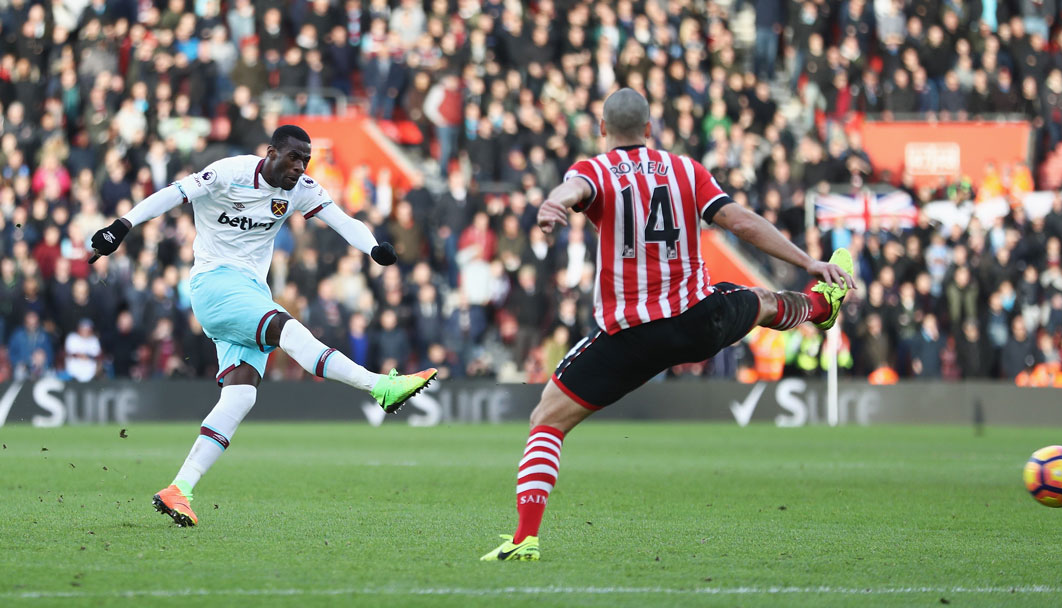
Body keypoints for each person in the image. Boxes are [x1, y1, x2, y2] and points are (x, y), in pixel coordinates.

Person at [480, 89, 854, 561]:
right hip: (696, 321)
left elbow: (573, 190)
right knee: (759, 301)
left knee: (546, 422)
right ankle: (822, 307)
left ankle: (524, 539)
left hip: (630, 336)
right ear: (650, 128)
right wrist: (807, 260)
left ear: (602, 129)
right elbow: (739, 221)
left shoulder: (595, 169)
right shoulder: (685, 170)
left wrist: (555, 204)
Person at [89, 125, 436, 527]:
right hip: (215, 284)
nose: (299, 166)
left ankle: (179, 489)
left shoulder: (301, 188)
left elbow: (343, 220)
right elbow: (173, 193)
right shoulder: (229, 173)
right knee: (288, 330)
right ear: (271, 152)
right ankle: (380, 386)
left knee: (240, 397)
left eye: (305, 160)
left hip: (251, 292)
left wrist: (373, 247)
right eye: (293, 157)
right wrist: (122, 226)